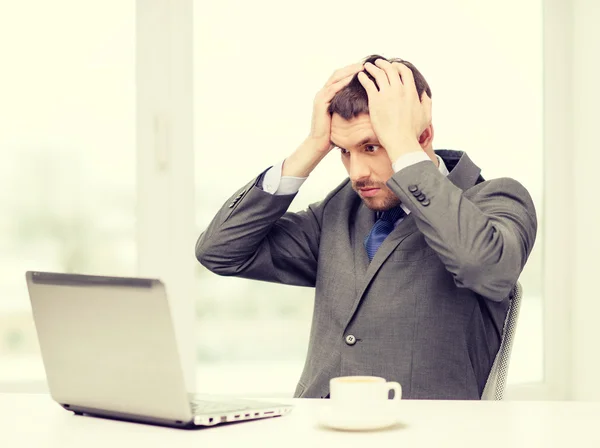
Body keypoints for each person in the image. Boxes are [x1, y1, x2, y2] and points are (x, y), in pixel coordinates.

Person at [195, 54, 537, 400]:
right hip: (318, 430)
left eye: (371, 146)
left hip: (427, 433)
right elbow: (220, 252)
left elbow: (485, 267)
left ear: (422, 136)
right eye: (344, 151)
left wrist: (404, 146)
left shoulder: (496, 199)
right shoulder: (339, 209)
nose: (356, 172)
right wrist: (313, 146)